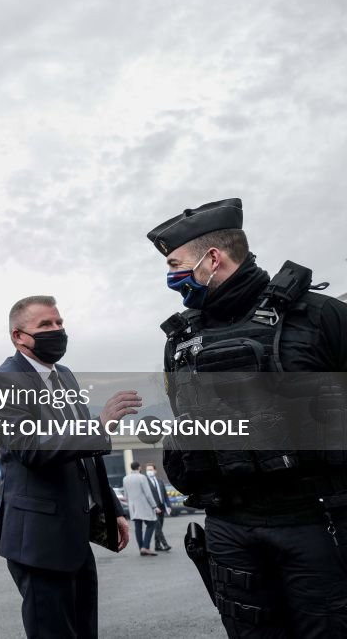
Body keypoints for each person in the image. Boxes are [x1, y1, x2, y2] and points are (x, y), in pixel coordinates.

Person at [147, 198, 347, 637]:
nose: (171, 276)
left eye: (175, 263)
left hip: (314, 522)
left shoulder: (321, 316)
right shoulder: (182, 338)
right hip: (229, 528)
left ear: (212, 258)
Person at [0, 295, 138, 639]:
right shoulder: (4, 381)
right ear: (18, 336)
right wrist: (98, 427)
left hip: (75, 535)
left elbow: (85, 455)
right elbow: (32, 449)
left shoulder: (65, 377)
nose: (57, 330)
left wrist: (111, 508)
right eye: (45, 325)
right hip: (38, 540)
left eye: (59, 323)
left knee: (84, 630)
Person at [122, 462, 159, 557]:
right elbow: (148, 493)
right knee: (152, 523)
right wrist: (154, 506)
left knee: (138, 527)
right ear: (139, 467)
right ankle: (145, 547)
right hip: (144, 505)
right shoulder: (142, 477)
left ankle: (141, 548)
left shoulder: (125, 478)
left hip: (133, 507)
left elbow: (126, 495)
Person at [144, 462, 172, 552]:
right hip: (153, 508)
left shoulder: (160, 481)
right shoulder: (145, 482)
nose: (149, 471)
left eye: (151, 469)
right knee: (158, 527)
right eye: (147, 470)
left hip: (162, 507)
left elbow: (165, 494)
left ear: (155, 471)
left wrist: (169, 505)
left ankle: (157, 546)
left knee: (159, 527)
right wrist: (153, 507)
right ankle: (165, 544)